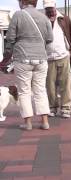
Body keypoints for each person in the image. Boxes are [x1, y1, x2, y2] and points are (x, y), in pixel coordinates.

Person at [3, 0, 53, 130]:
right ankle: (45, 122)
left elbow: (10, 38)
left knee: (24, 91)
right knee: (40, 90)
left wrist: (6, 56)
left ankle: (28, 123)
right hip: (41, 59)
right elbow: (50, 39)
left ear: (22, 2)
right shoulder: (44, 17)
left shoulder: (18, 15)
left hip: (23, 59)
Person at [43, 0, 71, 118]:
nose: (49, 11)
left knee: (66, 83)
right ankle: (52, 107)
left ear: (55, 6)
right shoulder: (42, 20)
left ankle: (65, 108)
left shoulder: (64, 19)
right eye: (47, 9)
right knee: (50, 85)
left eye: (51, 8)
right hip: (48, 57)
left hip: (63, 55)